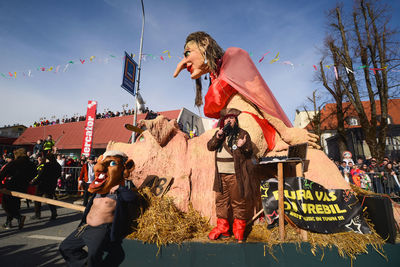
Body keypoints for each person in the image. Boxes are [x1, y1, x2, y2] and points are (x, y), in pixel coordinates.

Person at [173, 31, 350, 192]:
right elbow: (212, 108)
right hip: (228, 125)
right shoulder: (216, 77)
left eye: (188, 52)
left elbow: (260, 96)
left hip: (249, 123)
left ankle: (240, 212)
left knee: (233, 149)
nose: (184, 61)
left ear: (204, 44)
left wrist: (285, 131)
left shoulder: (233, 57)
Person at [59, 151, 137, 267]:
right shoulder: (99, 191)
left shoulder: (119, 193)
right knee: (66, 247)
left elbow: (132, 197)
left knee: (94, 255)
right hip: (85, 227)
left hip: (101, 229)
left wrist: (120, 188)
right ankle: (84, 264)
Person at [207, 109, 255, 243]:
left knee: (238, 202)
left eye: (232, 118)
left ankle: (239, 231)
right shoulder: (220, 134)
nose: (229, 120)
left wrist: (242, 146)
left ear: (236, 121)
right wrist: (218, 136)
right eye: (227, 118)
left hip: (235, 175)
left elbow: (249, 152)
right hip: (220, 176)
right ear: (223, 121)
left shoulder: (243, 134)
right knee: (221, 202)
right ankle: (223, 229)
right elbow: (210, 147)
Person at [0, 148, 37, 229]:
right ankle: (8, 223)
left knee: (6, 205)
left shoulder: (14, 163)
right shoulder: (31, 164)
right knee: (15, 204)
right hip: (23, 187)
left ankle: (18, 217)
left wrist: (2, 186)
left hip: (11, 186)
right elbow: (35, 173)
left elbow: (2, 174)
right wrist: (26, 179)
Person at [30, 153, 61, 220]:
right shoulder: (57, 165)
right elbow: (59, 175)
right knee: (50, 199)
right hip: (52, 184)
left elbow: (41, 175)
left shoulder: (46, 165)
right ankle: (54, 213)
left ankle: (37, 214)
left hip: (42, 184)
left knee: (37, 199)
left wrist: (33, 183)